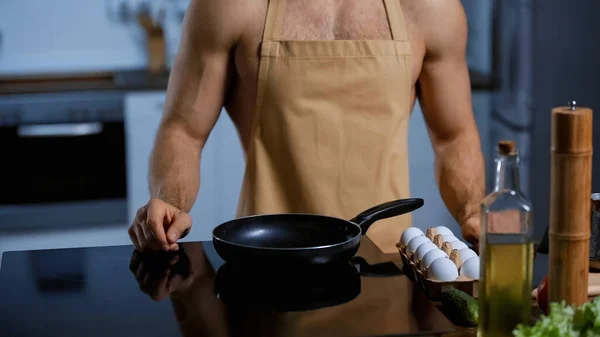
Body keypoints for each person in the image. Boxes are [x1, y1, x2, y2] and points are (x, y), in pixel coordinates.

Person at [128, 0, 485, 254]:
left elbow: (453, 136)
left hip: (388, 264)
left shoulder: (429, 8)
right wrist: (169, 202)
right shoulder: (229, 6)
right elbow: (183, 131)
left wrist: (472, 212)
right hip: (267, 260)